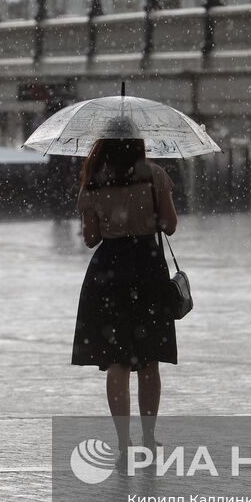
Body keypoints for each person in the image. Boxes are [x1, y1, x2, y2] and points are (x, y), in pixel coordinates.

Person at [72, 137, 178, 461]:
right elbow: (170, 225)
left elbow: (90, 238)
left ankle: (122, 443)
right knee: (149, 359)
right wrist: (147, 217)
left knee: (116, 362)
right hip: (147, 266)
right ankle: (148, 436)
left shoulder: (94, 181)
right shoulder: (155, 175)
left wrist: (111, 220)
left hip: (109, 274)